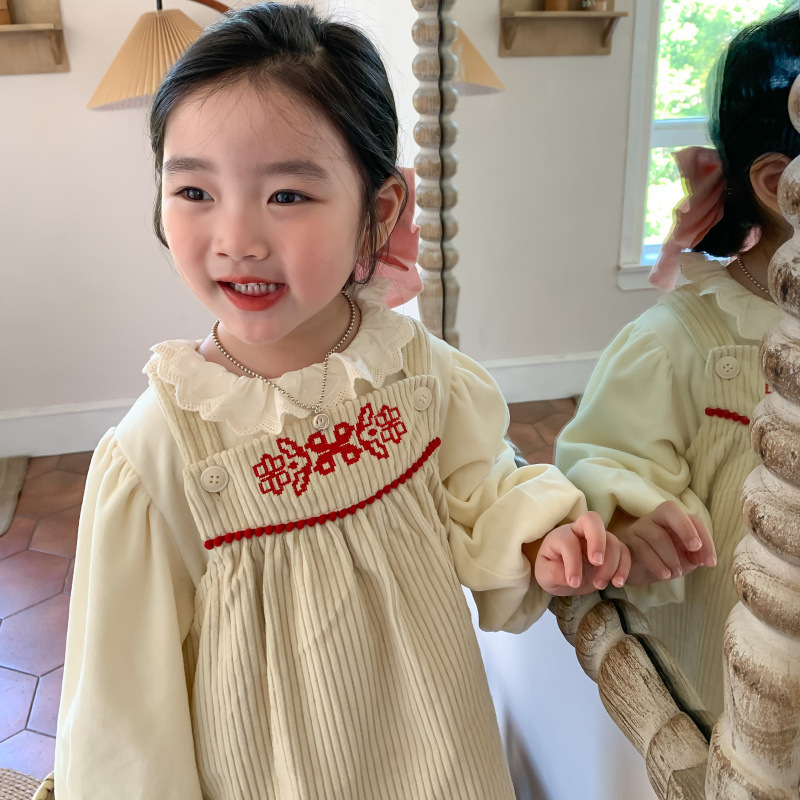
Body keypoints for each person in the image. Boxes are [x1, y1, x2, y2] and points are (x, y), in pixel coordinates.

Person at [49, 5, 631, 798]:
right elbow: (123, 722)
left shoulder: (417, 371)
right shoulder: (155, 456)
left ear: (377, 212)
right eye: (194, 189)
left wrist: (540, 536)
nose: (237, 239)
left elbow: (480, 487)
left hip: (442, 756)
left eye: (287, 195)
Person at [555, 7, 800, 718]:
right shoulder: (679, 345)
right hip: (732, 690)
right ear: (778, 184)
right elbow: (596, 463)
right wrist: (629, 526)